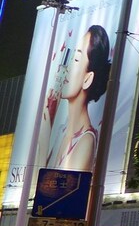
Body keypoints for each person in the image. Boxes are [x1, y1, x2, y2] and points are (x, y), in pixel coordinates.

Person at [45, 25, 111, 170]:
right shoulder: (62, 131)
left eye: (75, 60)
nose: (66, 68)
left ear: (88, 78)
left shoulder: (86, 140)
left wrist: (45, 130)